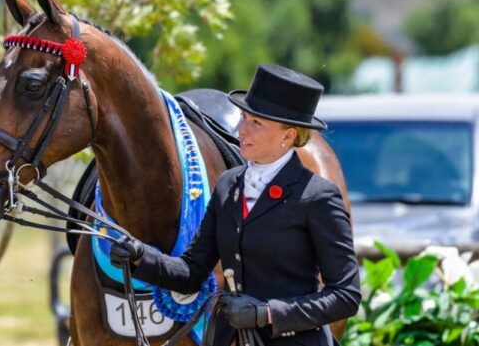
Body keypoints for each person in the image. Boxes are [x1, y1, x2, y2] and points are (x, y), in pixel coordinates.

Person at [111, 64, 361, 346]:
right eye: (244, 118)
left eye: (257, 123)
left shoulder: (317, 197)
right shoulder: (229, 185)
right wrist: (140, 258)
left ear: (288, 135)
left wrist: (266, 313)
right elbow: (192, 273)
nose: (242, 130)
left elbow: (345, 296)